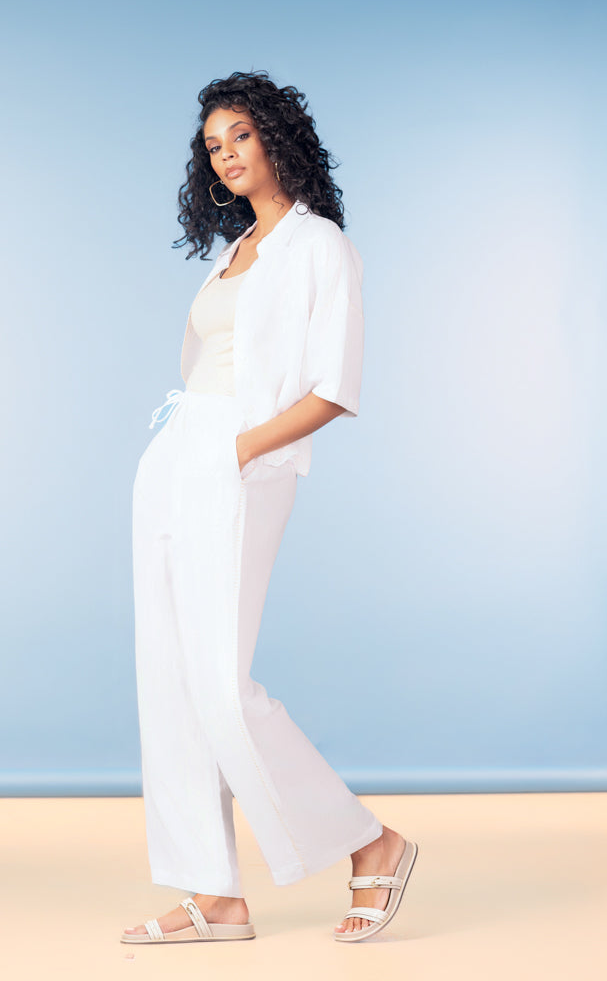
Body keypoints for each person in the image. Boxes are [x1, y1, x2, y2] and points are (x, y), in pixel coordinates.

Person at [121, 71, 417, 945]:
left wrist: (238, 451)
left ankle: (373, 843)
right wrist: (188, 453)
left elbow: (334, 388)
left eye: (240, 135)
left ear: (276, 138)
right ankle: (213, 893)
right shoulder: (231, 254)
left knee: (219, 681)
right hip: (174, 457)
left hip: (241, 462)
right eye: (213, 146)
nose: (226, 153)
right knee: (168, 682)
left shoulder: (318, 244)